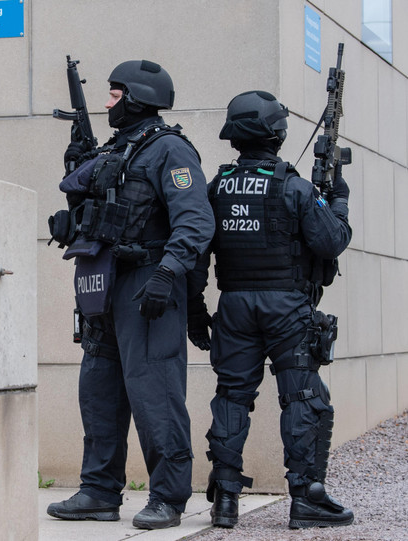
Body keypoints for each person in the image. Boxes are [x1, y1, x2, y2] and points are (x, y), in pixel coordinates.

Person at [46, 59, 214, 530]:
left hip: (148, 284)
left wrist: (169, 272)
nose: (106, 104)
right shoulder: (112, 151)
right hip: (103, 283)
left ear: (139, 98)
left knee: (155, 392)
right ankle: (99, 492)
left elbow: (196, 221)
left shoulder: (170, 151)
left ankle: (168, 496)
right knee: (97, 390)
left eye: (115, 96)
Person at [186, 90, 354, 529]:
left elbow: (197, 254)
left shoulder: (216, 187)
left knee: (231, 395)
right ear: (277, 134)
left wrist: (195, 312)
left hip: (234, 306)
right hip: (286, 306)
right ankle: (307, 497)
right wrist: (338, 198)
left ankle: (225, 499)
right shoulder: (294, 186)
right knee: (302, 396)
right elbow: (331, 241)